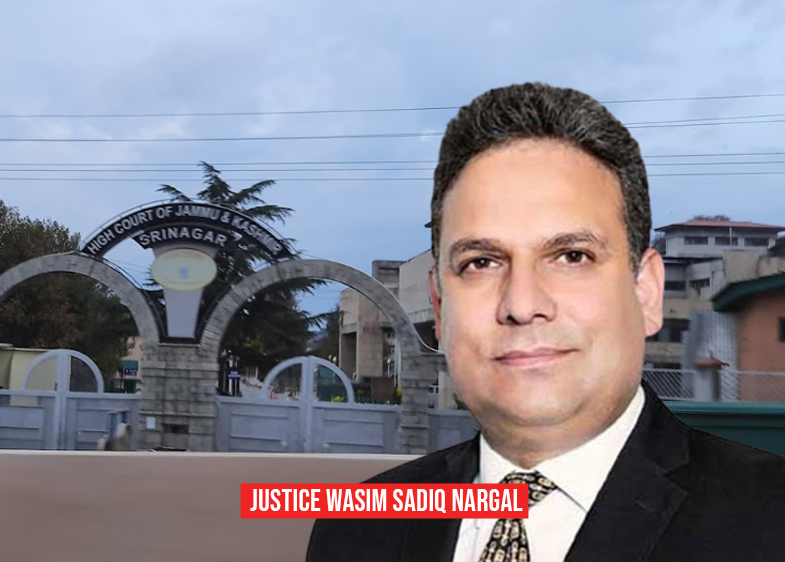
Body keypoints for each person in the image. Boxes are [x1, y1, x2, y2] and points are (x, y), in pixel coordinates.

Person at [306, 82, 785, 562]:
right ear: (440, 303)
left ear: (646, 291)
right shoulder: (355, 529)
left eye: (572, 256)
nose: (522, 303)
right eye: (481, 262)